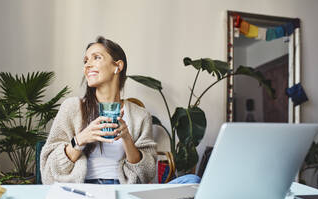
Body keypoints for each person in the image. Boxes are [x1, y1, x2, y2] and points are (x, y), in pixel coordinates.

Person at [40, 36, 200, 185]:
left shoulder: (140, 116)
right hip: (83, 189)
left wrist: (127, 138)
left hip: (123, 188)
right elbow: (49, 171)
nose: (87, 65)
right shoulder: (72, 107)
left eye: (96, 57)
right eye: (85, 60)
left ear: (118, 66)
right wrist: (80, 139)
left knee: (192, 180)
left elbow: (147, 174)